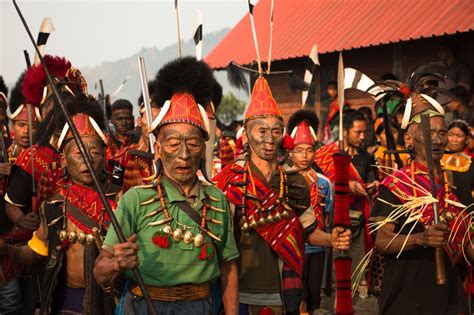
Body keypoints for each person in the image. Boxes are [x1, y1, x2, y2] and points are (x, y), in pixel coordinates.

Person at [94, 57, 239, 315]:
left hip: (200, 308)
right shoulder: (135, 200)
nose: (183, 154)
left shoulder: (217, 199)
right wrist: (116, 262)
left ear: (203, 150)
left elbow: (228, 267)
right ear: (158, 150)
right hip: (143, 307)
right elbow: (100, 272)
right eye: (173, 144)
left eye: (193, 144)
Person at [214, 76, 351, 315]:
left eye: (275, 131)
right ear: (246, 134)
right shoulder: (229, 181)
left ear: (283, 136)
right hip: (239, 290)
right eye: (262, 131)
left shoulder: (294, 182)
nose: (269, 139)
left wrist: (332, 240)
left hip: (284, 289)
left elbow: (309, 231)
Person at [0, 94, 119, 314]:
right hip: (64, 302)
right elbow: (36, 252)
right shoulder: (54, 207)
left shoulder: (119, 202)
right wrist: (7, 251)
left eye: (94, 153)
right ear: (64, 159)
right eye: (78, 153)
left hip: (107, 302)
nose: (87, 160)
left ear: (104, 156)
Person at [371, 91, 474, 315]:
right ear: (409, 139)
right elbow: (382, 240)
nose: (436, 139)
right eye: (429, 132)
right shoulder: (395, 185)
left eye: (442, 133)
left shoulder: (458, 182)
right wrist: (421, 239)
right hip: (406, 295)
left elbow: (467, 243)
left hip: (451, 295)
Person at [3, 55, 88, 314]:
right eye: (52, 102)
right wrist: (22, 220)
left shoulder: (90, 150)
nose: (59, 108)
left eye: (65, 101)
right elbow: (11, 204)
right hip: (42, 249)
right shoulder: (33, 155)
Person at [315, 109, 377, 276]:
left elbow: (372, 181)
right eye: (357, 132)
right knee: (333, 272)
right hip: (333, 220)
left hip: (357, 220)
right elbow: (318, 184)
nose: (362, 137)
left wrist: (372, 187)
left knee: (356, 271)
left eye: (364, 132)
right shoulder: (326, 155)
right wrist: (345, 186)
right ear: (344, 132)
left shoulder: (367, 157)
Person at [287, 109, 335, 313]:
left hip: (315, 250)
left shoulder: (324, 183)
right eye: (298, 150)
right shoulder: (283, 179)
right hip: (290, 250)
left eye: (309, 150)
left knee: (313, 298)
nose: (304, 155)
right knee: (295, 297)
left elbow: (327, 217)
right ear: (290, 152)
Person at [111, 102, 160, 193]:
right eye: (149, 117)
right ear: (140, 121)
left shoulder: (170, 153)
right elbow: (115, 183)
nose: (152, 122)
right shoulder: (125, 155)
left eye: (157, 118)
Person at [441, 119, 474, 206]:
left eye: (459, 136)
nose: (454, 139)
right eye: (450, 135)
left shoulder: (471, 163)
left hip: (466, 209)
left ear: (466, 138)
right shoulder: (437, 159)